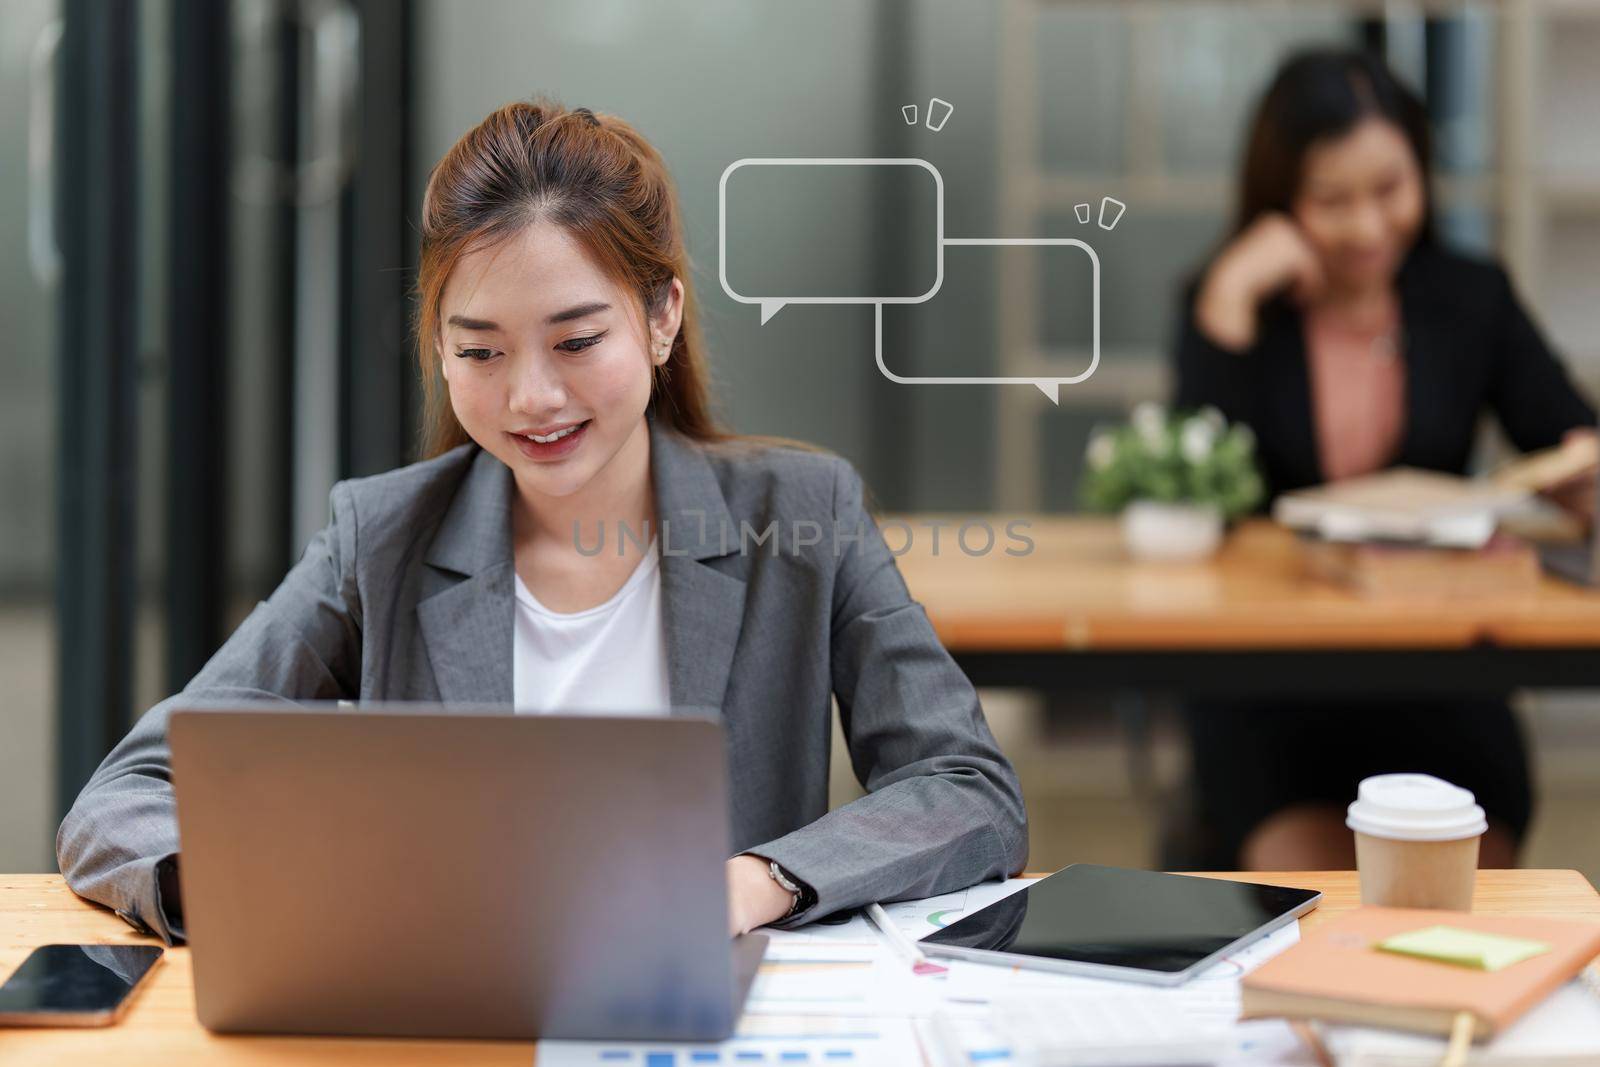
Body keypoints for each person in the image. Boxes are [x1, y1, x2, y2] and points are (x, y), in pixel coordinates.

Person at [57, 100, 1028, 944]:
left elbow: (966, 789)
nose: (532, 395)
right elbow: (127, 796)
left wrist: (757, 879)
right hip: (458, 1017)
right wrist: (258, 889)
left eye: (576, 339)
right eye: (479, 351)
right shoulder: (382, 538)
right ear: (436, 347)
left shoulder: (800, 513)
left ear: (660, 318)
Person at [1172, 49, 1595, 871]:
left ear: (1424, 175)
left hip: (1438, 664)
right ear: (1281, 199)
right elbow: (1194, 498)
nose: (1369, 227)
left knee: (1458, 878)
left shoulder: (1469, 297)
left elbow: (1564, 432)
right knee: (1317, 889)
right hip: (1273, 672)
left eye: (1391, 190)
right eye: (1333, 200)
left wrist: (1580, 471)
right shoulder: (1235, 302)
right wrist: (1227, 301)